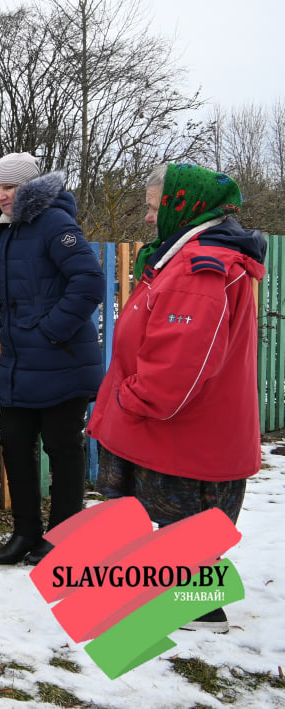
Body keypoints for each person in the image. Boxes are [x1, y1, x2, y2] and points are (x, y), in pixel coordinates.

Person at [88, 163, 265, 634]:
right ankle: (190, 604)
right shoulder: (187, 257)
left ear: (181, 206)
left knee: (184, 519)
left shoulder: (198, 269)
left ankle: (197, 612)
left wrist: (133, 398)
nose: (148, 218)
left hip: (182, 429)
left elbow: (178, 368)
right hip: (193, 427)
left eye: (153, 207)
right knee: (184, 525)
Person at [0, 152, 104, 566]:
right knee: (16, 445)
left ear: (31, 188)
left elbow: (90, 281)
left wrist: (51, 330)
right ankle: (25, 532)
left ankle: (62, 538)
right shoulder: (8, 230)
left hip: (61, 359)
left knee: (62, 449)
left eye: (10, 187)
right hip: (21, 363)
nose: (2, 195)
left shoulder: (54, 222)